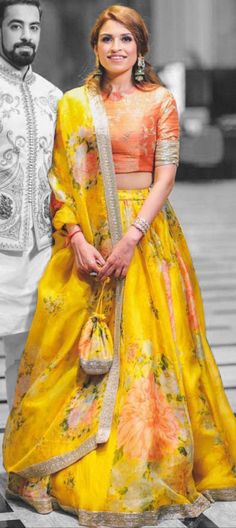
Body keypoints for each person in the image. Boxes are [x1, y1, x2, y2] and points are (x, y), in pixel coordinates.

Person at [3, 4, 236, 526]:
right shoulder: (75, 104)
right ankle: (77, 450)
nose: (115, 48)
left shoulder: (160, 101)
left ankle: (152, 453)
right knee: (81, 353)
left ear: (140, 48)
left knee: (155, 348)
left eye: (125, 40)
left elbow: (165, 176)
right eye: (106, 39)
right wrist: (79, 238)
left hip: (148, 238)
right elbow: (59, 177)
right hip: (89, 242)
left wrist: (132, 236)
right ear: (95, 46)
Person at [0, 0, 62, 406]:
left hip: (38, 254)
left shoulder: (53, 97)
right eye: (16, 26)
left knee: (25, 361)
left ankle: (17, 461)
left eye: (33, 27)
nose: (26, 36)